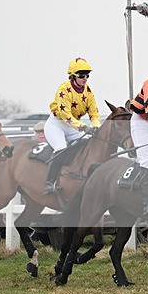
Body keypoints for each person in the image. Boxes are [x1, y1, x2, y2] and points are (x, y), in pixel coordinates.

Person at [44, 57, 101, 194]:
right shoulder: (64, 89)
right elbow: (65, 116)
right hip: (57, 124)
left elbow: (94, 113)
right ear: (73, 76)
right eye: (81, 75)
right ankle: (49, 183)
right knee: (61, 148)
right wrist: (83, 127)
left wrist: (96, 126)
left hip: (72, 126)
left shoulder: (88, 92)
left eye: (87, 75)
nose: (85, 78)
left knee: (87, 143)